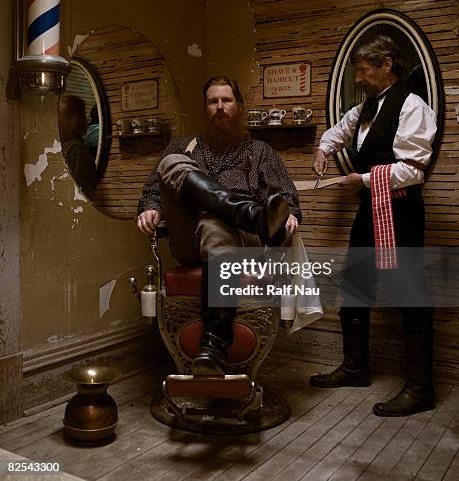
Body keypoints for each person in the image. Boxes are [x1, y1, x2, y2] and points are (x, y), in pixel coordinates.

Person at [137, 76, 301, 375]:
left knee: (214, 221)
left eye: (226, 101)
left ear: (238, 107)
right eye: (213, 101)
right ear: (205, 108)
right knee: (171, 161)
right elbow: (152, 191)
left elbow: (286, 196)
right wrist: (150, 208)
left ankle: (213, 345)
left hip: (244, 242)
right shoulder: (183, 146)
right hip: (190, 237)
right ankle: (251, 213)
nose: (220, 107)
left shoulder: (260, 152)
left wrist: (288, 213)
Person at [309, 34, 437, 417]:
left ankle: (420, 388)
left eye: (364, 71)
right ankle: (355, 367)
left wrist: (360, 180)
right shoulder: (366, 108)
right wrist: (323, 149)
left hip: (401, 211)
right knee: (356, 285)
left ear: (386, 65)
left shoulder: (413, 106)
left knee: (409, 294)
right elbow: (339, 130)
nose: (360, 79)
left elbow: (413, 171)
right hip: (370, 209)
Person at [59, 95, 97, 199]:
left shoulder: (75, 150)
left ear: (72, 121)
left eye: (59, 116)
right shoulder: (63, 146)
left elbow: (74, 193)